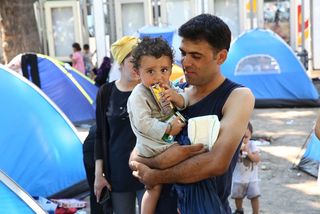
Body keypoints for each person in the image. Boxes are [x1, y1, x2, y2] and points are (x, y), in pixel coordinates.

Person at [130, 14, 255, 214]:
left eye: (196, 56)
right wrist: (144, 161)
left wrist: (155, 174)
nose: (185, 62)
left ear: (221, 57)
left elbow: (216, 162)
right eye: (183, 53)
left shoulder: (237, 97)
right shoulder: (174, 91)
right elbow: (137, 151)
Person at [127, 37, 188, 214]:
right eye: (150, 71)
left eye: (164, 70)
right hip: (150, 144)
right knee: (154, 187)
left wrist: (176, 98)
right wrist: (169, 128)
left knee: (167, 179)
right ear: (137, 73)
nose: (158, 77)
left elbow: (185, 101)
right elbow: (143, 124)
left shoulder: (168, 86)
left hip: (164, 141)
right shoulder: (138, 95)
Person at [94, 36, 144, 214]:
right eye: (132, 62)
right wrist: (98, 174)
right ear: (120, 63)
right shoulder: (106, 92)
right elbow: (100, 134)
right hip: (118, 172)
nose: (137, 67)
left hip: (148, 169)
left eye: (140, 62)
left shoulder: (149, 90)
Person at [231, 122, 260, 214]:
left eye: (246, 137)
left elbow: (257, 159)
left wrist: (248, 152)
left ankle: (256, 212)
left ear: (251, 135)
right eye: (241, 137)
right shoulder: (234, 145)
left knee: (254, 196)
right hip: (238, 178)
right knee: (238, 196)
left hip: (252, 178)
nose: (243, 140)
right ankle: (239, 210)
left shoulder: (252, 145)